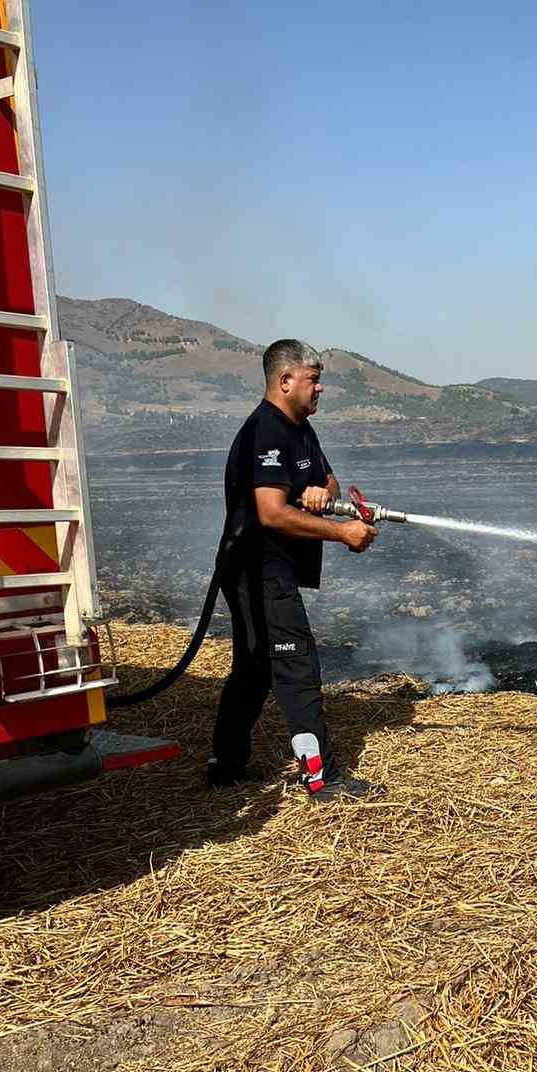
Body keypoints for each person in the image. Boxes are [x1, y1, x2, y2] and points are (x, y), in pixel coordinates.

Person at [209, 339, 378, 801]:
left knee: (255, 665)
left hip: (272, 569)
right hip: (254, 571)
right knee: (296, 667)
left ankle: (226, 765)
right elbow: (272, 514)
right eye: (313, 379)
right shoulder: (265, 431)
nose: (321, 387)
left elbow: (328, 479)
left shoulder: (300, 428)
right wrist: (341, 533)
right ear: (285, 381)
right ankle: (322, 780)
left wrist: (323, 490)